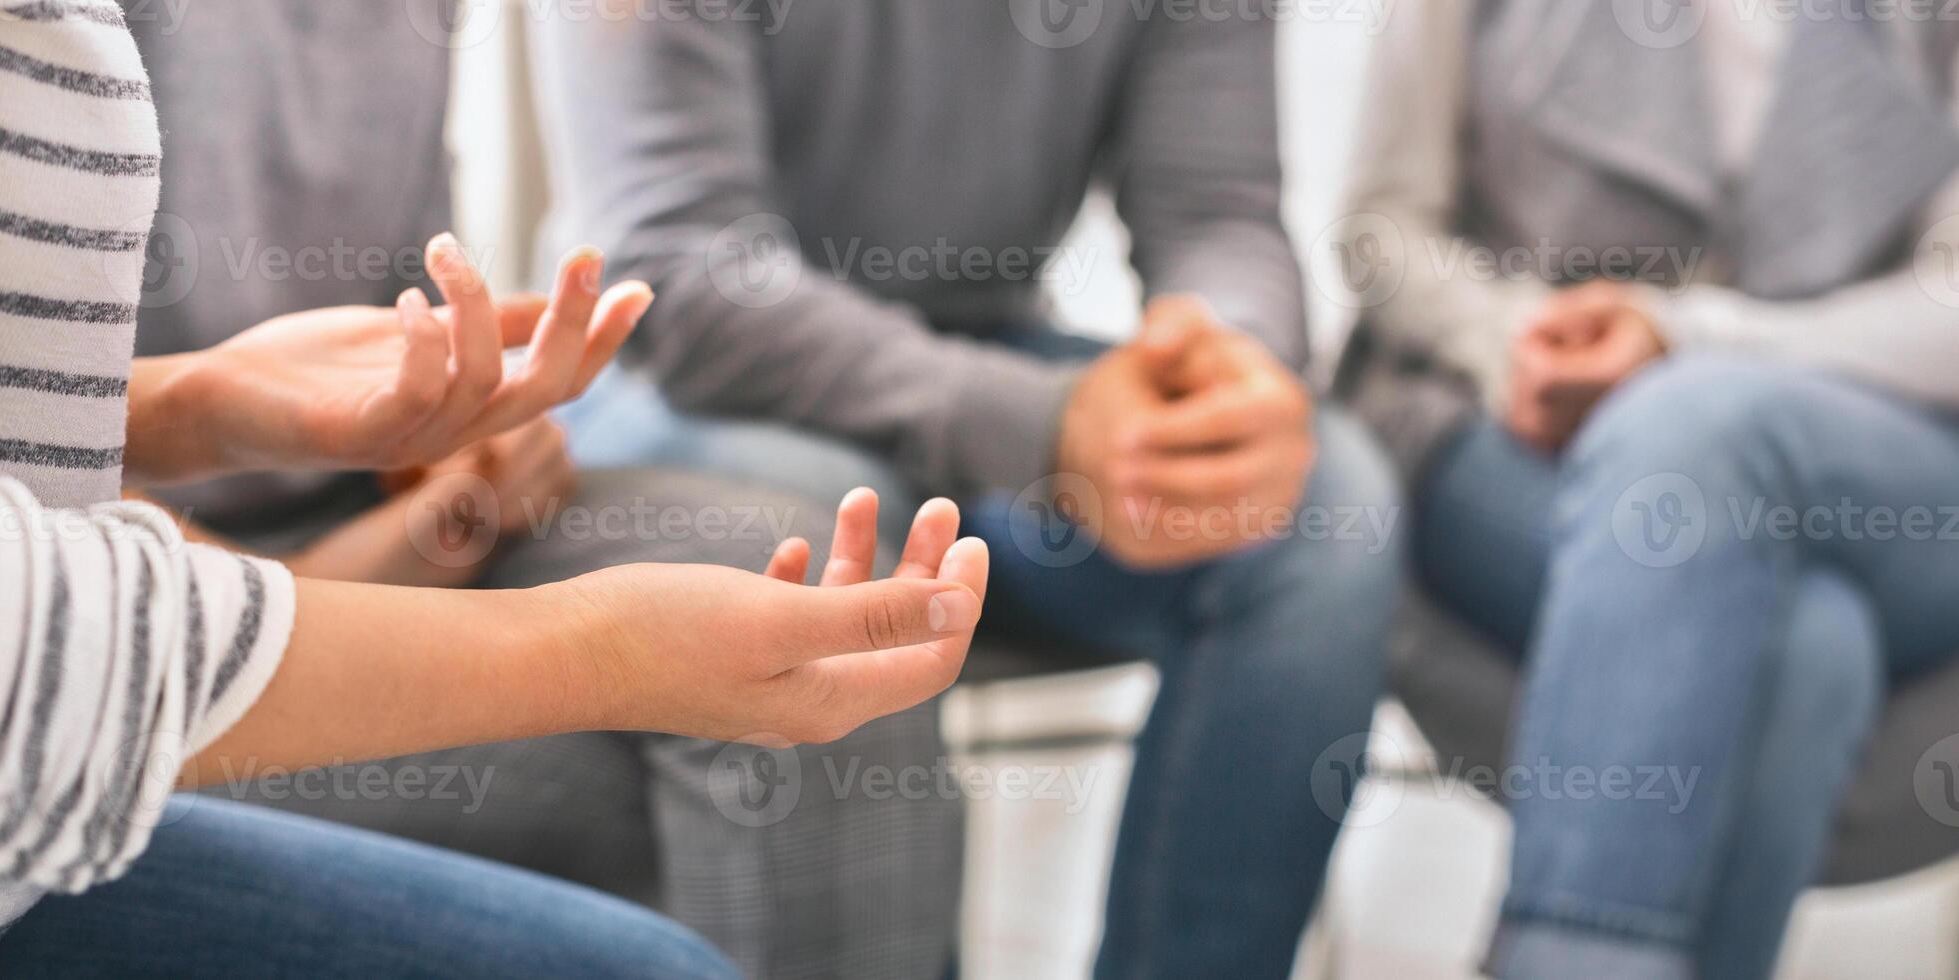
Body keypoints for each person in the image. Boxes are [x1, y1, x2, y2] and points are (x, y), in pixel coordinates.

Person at [0, 3, 988, 976]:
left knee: (798, 591)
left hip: (255, 536)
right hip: (122, 627)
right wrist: (597, 645)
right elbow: (43, 634)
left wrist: (210, 403)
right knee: (695, 839)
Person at [533, 3, 1405, 976]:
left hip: (981, 363)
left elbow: (1215, 212)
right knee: (840, 544)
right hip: (682, 384)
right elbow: (683, 277)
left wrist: (1222, 377)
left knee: (1317, 507)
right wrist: (1040, 426)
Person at [1338, 1, 1959, 976]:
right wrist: (1512, 340)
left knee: (1691, 424)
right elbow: (1382, 231)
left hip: (1862, 444)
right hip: (1511, 426)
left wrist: (1687, 339)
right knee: (1806, 644)